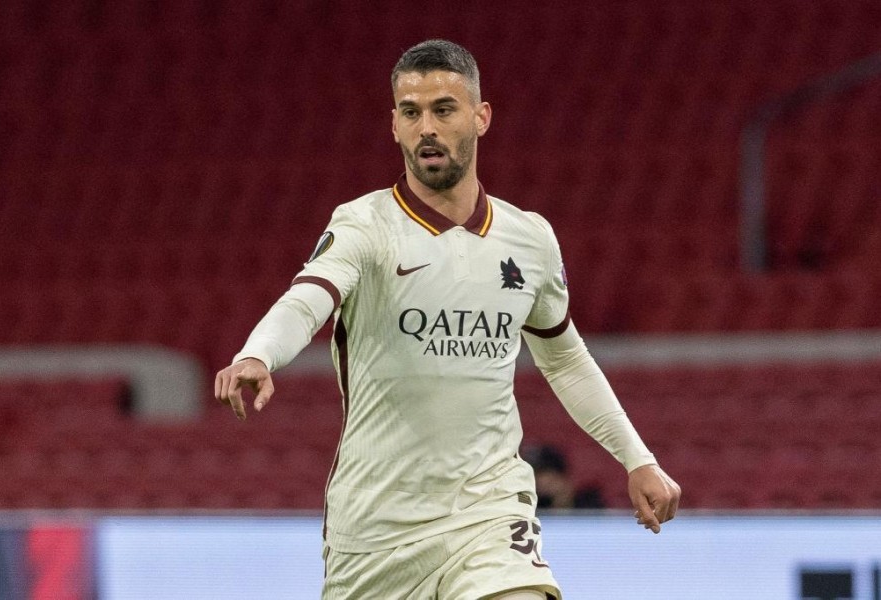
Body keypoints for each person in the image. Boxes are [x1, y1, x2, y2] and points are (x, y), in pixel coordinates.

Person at [215, 39, 681, 600]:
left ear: (481, 117)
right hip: (375, 530)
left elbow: (565, 360)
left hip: (488, 511)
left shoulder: (528, 239)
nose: (426, 127)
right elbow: (307, 298)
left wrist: (637, 459)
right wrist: (259, 353)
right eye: (411, 113)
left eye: (443, 109)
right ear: (393, 125)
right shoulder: (365, 225)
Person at [523, 444, 606, 509]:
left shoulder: (590, 504)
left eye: (539, 473)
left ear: (557, 474)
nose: (534, 479)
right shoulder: (534, 505)